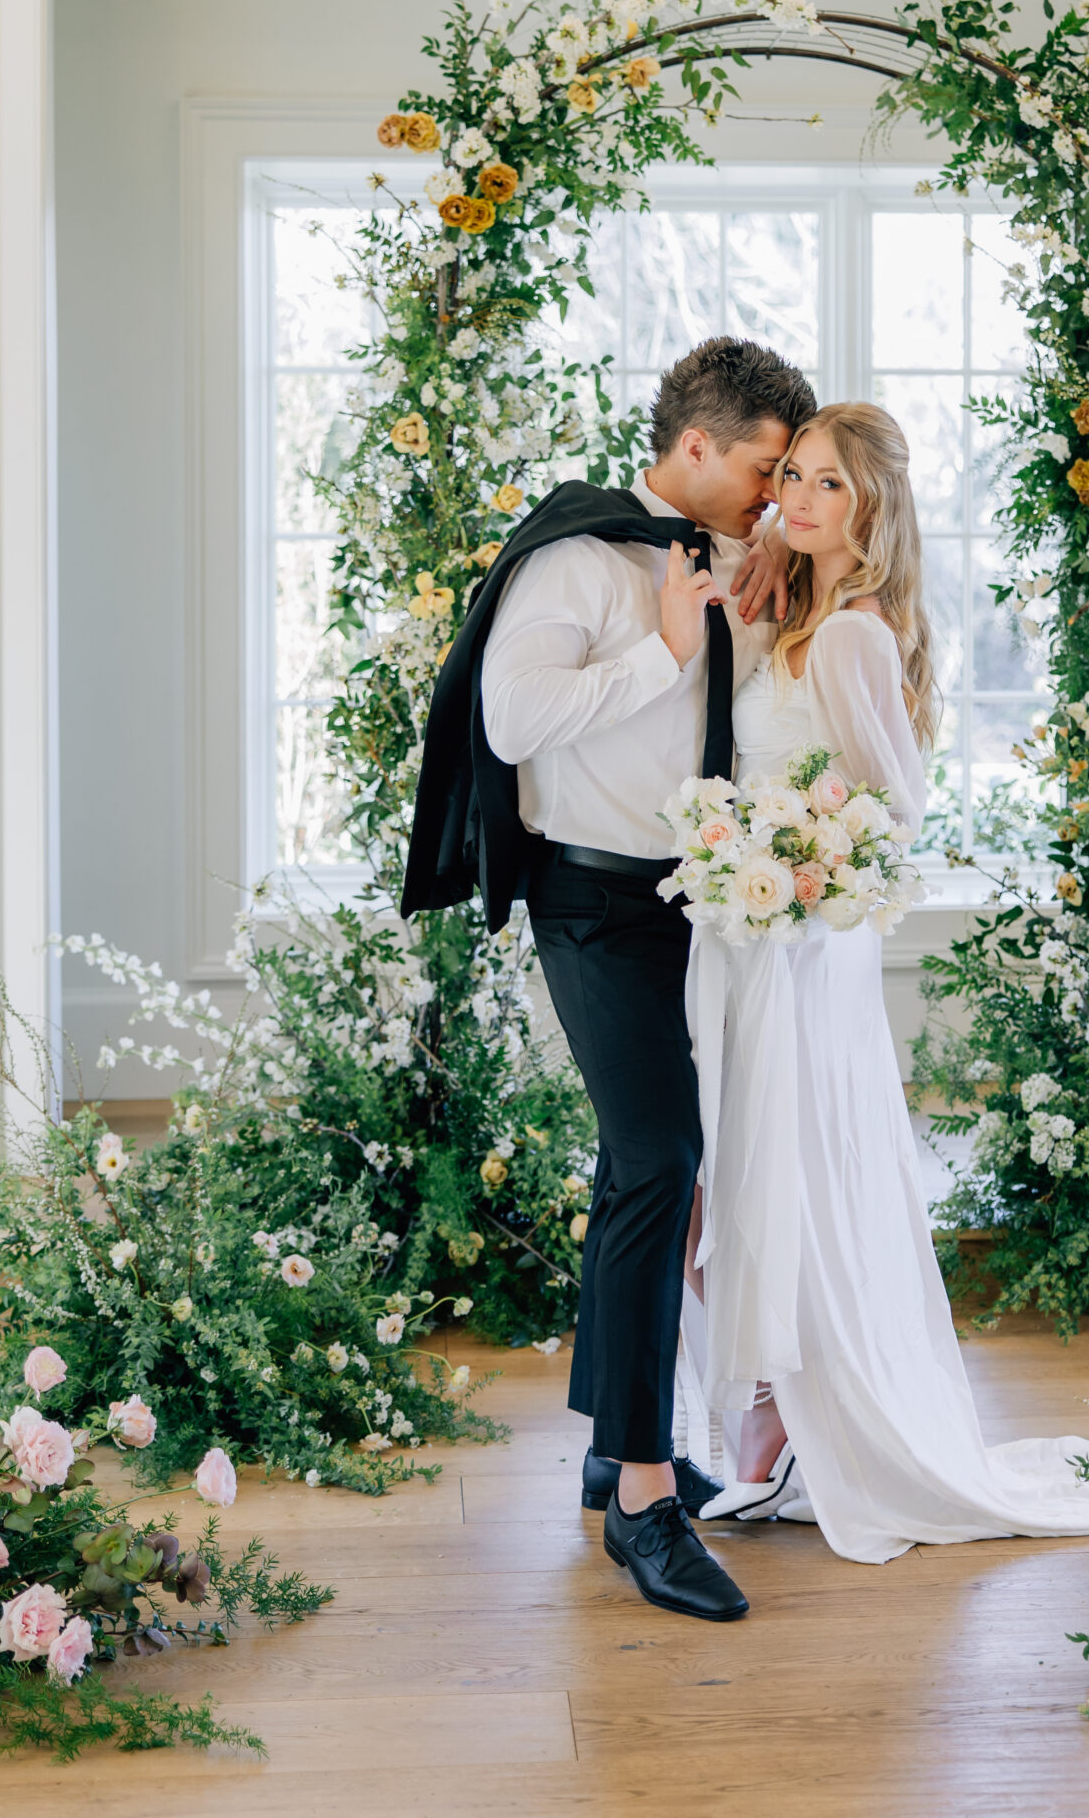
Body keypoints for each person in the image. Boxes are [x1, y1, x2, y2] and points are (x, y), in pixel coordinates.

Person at [681, 402, 1089, 1563]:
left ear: (873, 509)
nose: (797, 499)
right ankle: (779, 1415)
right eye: (791, 476)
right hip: (758, 933)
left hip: (802, 943)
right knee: (753, 1166)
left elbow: (897, 813)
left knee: (787, 1168)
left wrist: (789, 862)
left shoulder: (851, 635)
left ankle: (801, 1417)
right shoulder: (804, 615)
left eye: (827, 487)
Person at [402, 334, 817, 1623]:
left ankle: (606, 1445)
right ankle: (644, 1496)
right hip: (593, 900)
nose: (770, 491)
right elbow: (513, 724)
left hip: (698, 903)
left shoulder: (723, 563)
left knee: (651, 1167)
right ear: (696, 445)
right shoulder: (581, 557)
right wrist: (663, 648)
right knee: (659, 1157)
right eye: (761, 465)